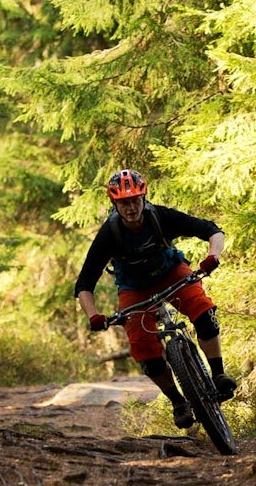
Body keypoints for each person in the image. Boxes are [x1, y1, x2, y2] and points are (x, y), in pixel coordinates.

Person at [75, 168, 236, 429]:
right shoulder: (109, 234)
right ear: (114, 204)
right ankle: (177, 402)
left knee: (203, 311)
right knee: (143, 348)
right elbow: (84, 284)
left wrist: (213, 256)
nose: (131, 208)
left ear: (143, 197)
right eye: (124, 203)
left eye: (135, 200)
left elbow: (212, 230)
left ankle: (218, 375)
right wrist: (93, 315)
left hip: (170, 273)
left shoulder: (160, 216)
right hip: (134, 288)